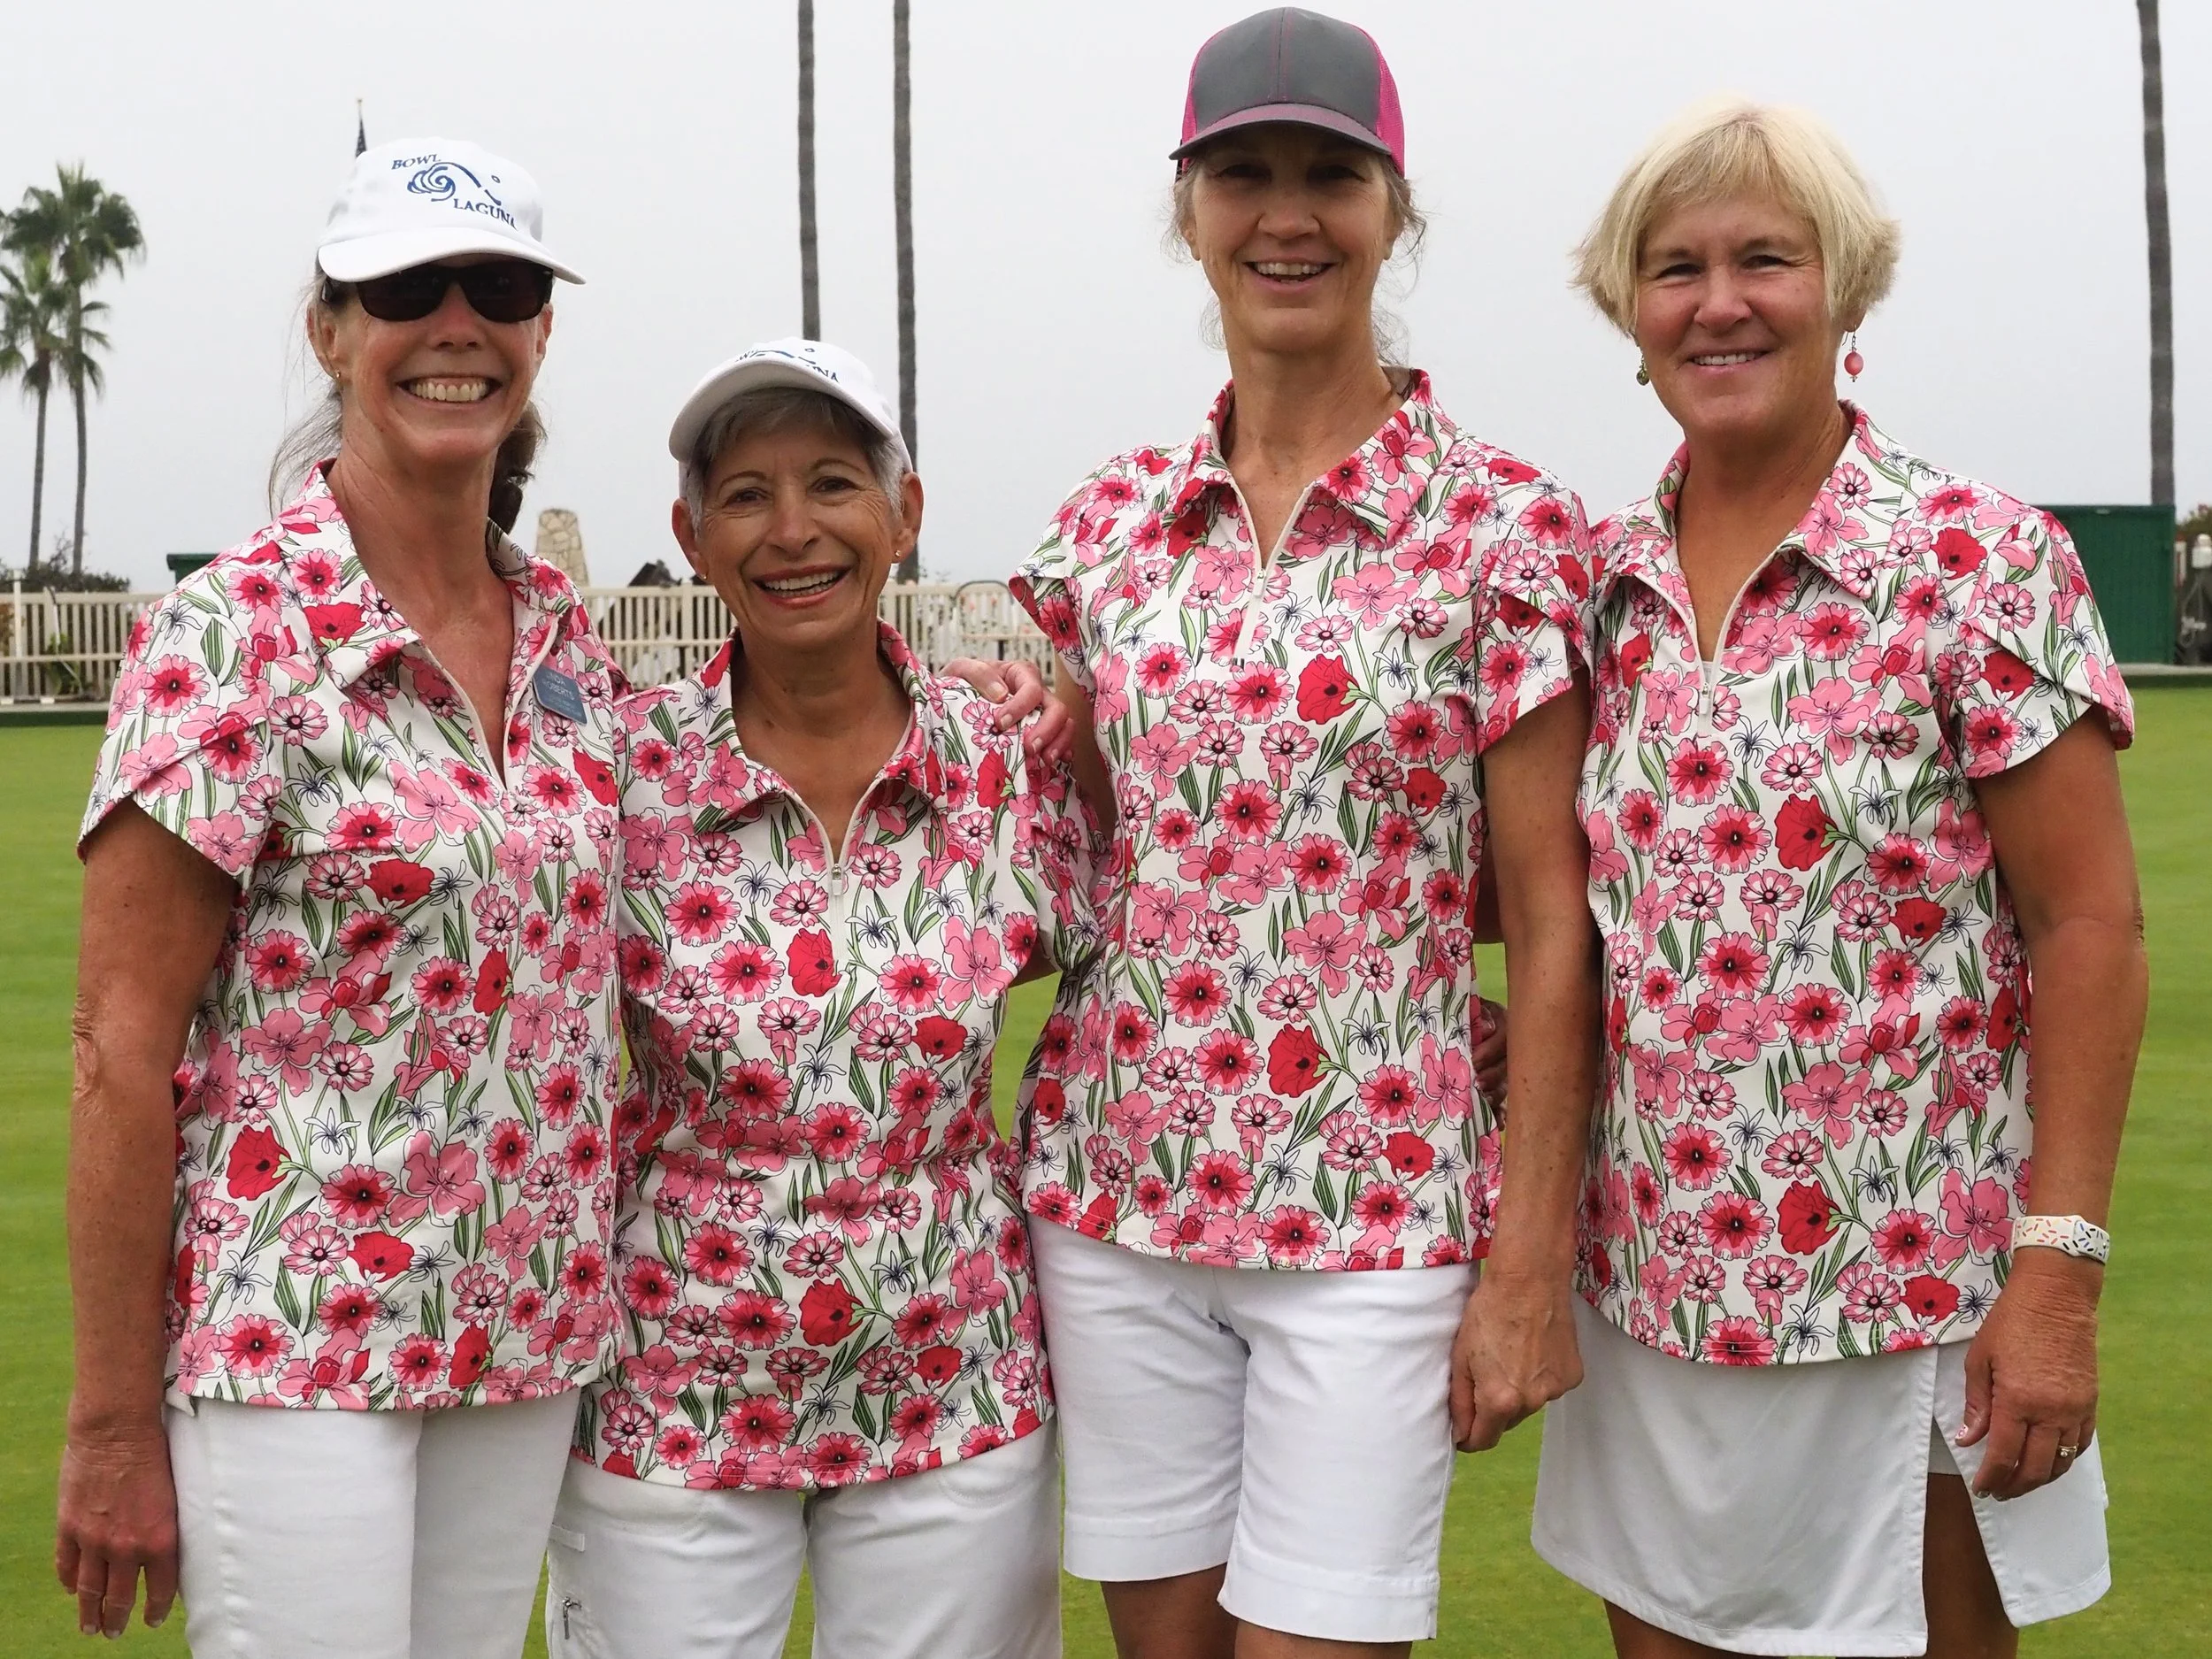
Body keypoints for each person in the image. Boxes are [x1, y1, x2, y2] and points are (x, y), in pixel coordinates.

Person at [1009, 10, 1599, 1655]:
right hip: (1117, 1206)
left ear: (1392, 207)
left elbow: (1552, 918)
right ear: (1187, 208)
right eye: (1243, 174)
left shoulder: (1502, 522)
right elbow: (1099, 854)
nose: (1288, 215)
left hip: (1379, 1215)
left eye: (1330, 176)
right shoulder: (1110, 529)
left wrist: (1529, 1254)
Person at [1530, 98, 2143, 1657]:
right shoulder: (1600, 585)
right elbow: (1567, 905)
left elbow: (2090, 926)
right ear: (1631, 311)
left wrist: (2058, 1275)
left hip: (1910, 1291)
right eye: (1675, 268)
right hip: (1653, 1286)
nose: (1718, 301)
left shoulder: (1974, 554)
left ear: (1843, 289)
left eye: (1764, 259)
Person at [54, 139, 620, 1656]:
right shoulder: (230, 633)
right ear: (331, 329)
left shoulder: (569, 642)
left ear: (541, 329)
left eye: (496, 287)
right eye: (400, 290)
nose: (453, 323)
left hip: (521, 1337)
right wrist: (111, 1421)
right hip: (296, 1337)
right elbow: (120, 1043)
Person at [546, 340, 1095, 1659]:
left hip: (951, 1386)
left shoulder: (1004, 764)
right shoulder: (623, 776)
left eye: (834, 483)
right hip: (675, 1392)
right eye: (745, 495)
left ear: (903, 512)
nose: (793, 532)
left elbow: (1168, 948)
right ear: (690, 533)